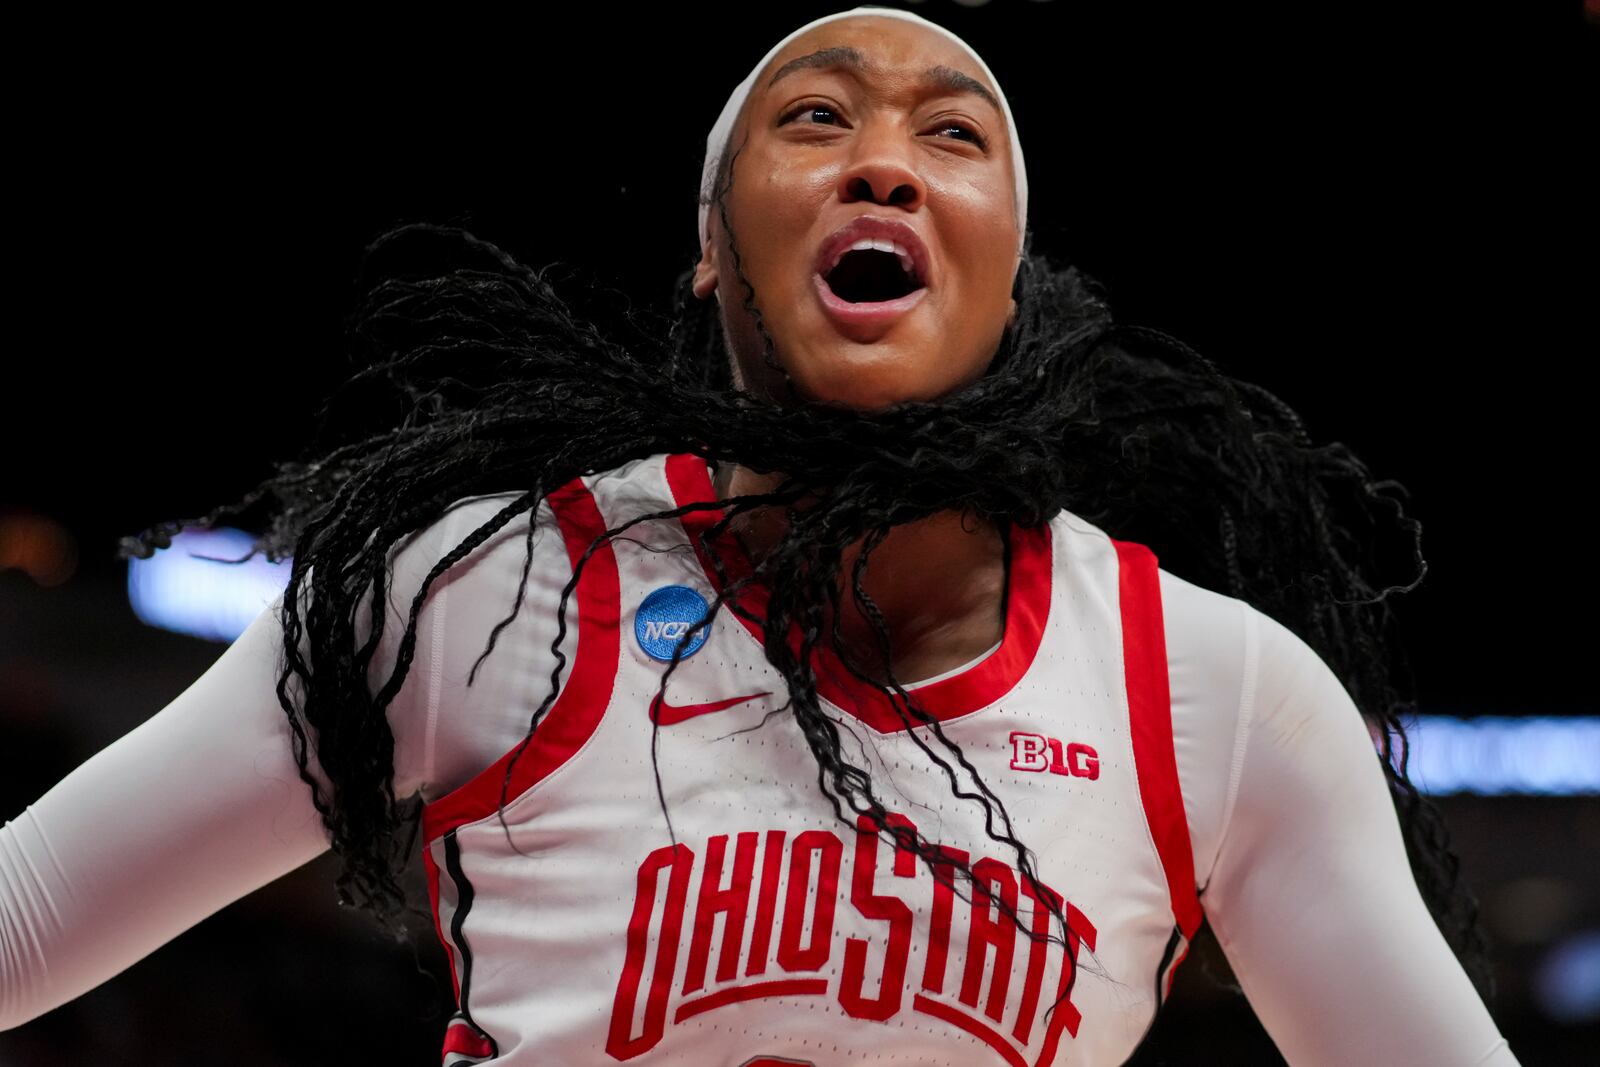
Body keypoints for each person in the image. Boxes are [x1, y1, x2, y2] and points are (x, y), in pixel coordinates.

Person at [0, 6, 1521, 1065]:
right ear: (716, 255)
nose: (883, 160)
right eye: (816, 118)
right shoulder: (479, 591)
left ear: (1011, 277)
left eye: (952, 133)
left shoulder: (1219, 695)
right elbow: (28, 915)